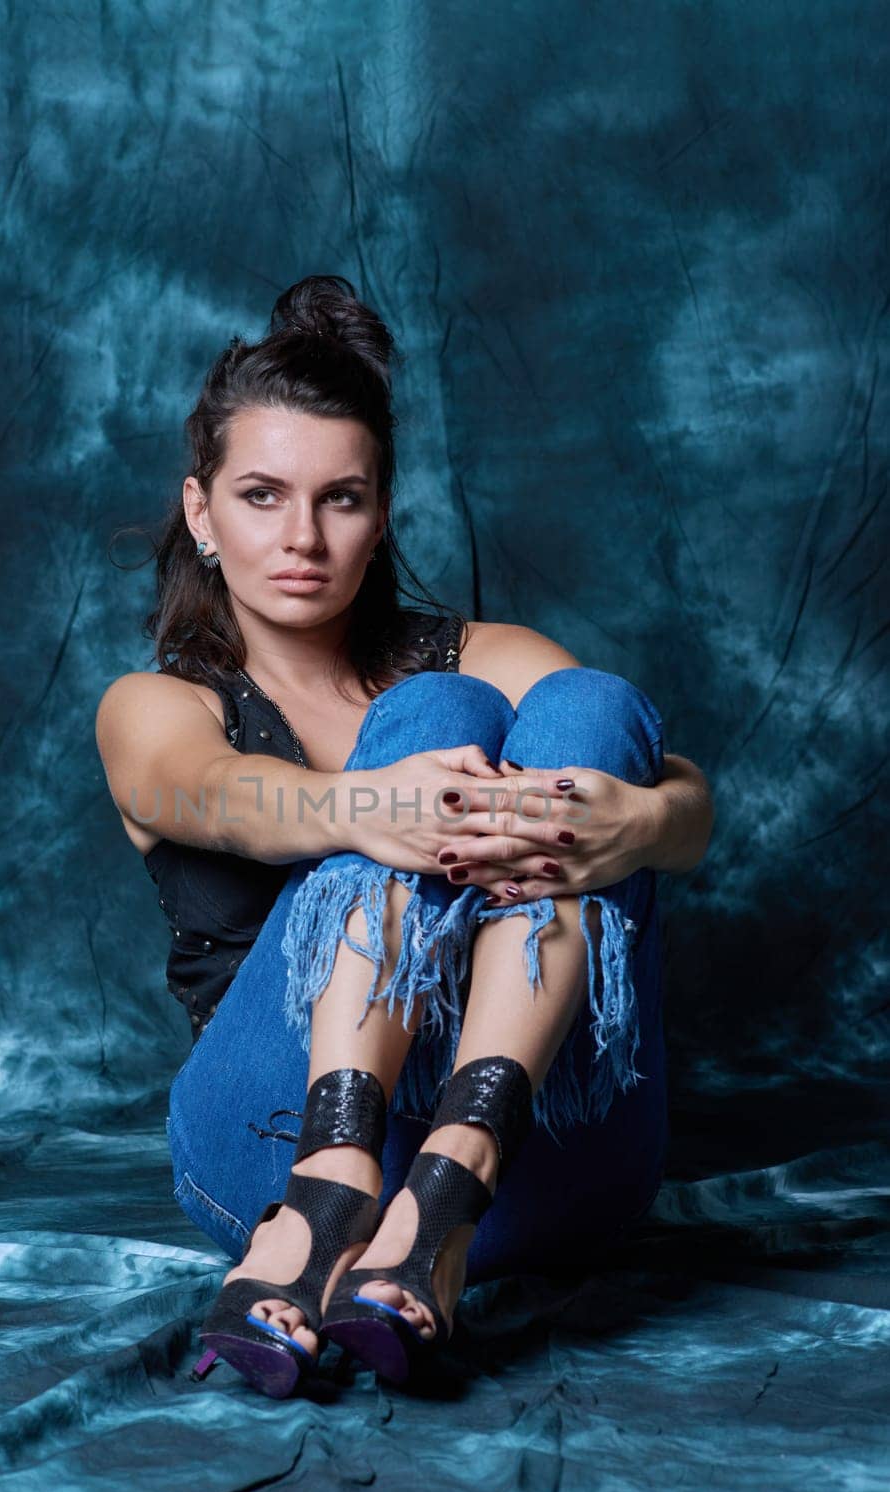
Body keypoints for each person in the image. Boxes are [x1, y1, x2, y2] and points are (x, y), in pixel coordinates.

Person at [95, 274, 715, 1399]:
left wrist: (638, 822)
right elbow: (224, 797)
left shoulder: (482, 646)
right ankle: (336, 1186)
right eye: (260, 495)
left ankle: (446, 1179)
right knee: (428, 724)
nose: (300, 536)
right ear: (200, 511)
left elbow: (674, 790)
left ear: (379, 513)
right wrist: (375, 805)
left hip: (531, 1159)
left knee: (587, 710)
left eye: (339, 498)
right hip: (268, 1148)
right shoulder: (157, 707)